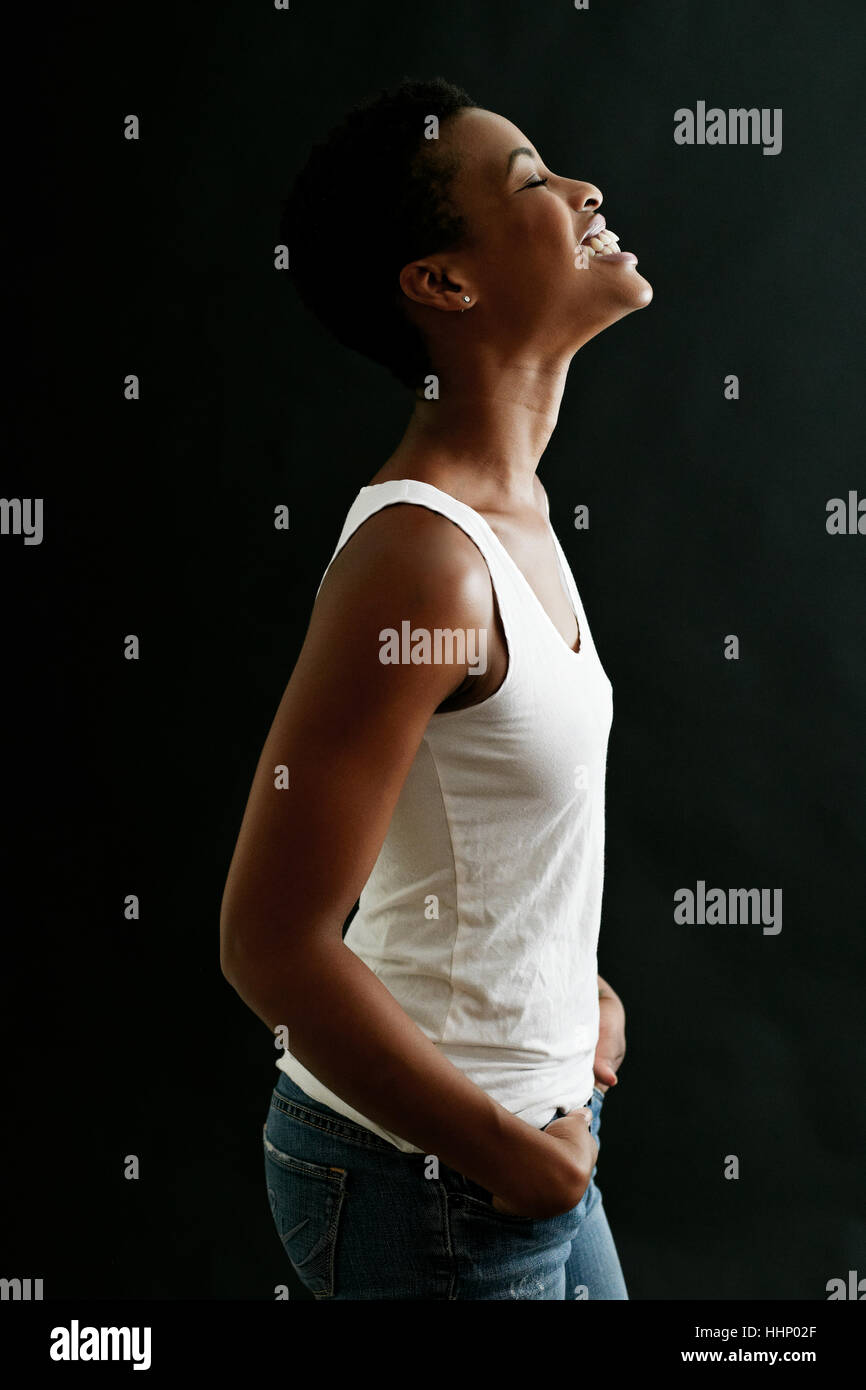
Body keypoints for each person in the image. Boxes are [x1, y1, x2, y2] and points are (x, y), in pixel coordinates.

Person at [220, 76, 651, 1300]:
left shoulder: (508, 517)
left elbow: (472, 830)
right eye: (527, 180)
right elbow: (268, 943)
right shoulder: (423, 562)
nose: (582, 191)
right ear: (442, 283)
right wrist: (513, 1156)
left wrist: (572, 998)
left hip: (525, 1134)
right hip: (428, 1174)